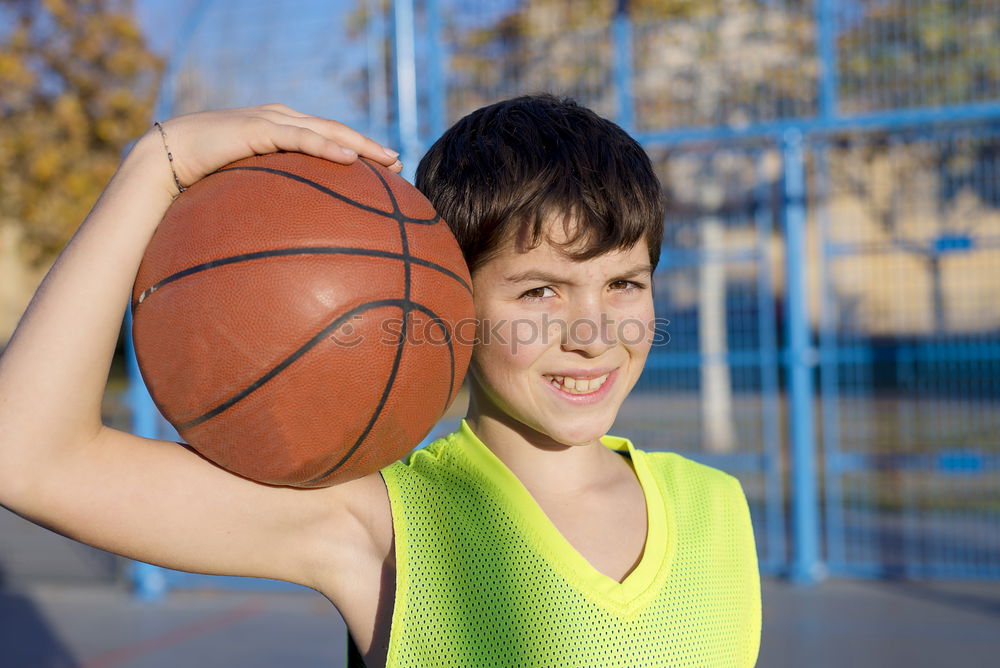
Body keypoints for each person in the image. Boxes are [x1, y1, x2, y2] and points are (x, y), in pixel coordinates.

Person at [0, 97, 760, 668]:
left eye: (625, 284)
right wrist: (159, 161)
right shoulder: (382, 524)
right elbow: (25, 456)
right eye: (539, 293)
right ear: (449, 302)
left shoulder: (716, 508)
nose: (593, 335)